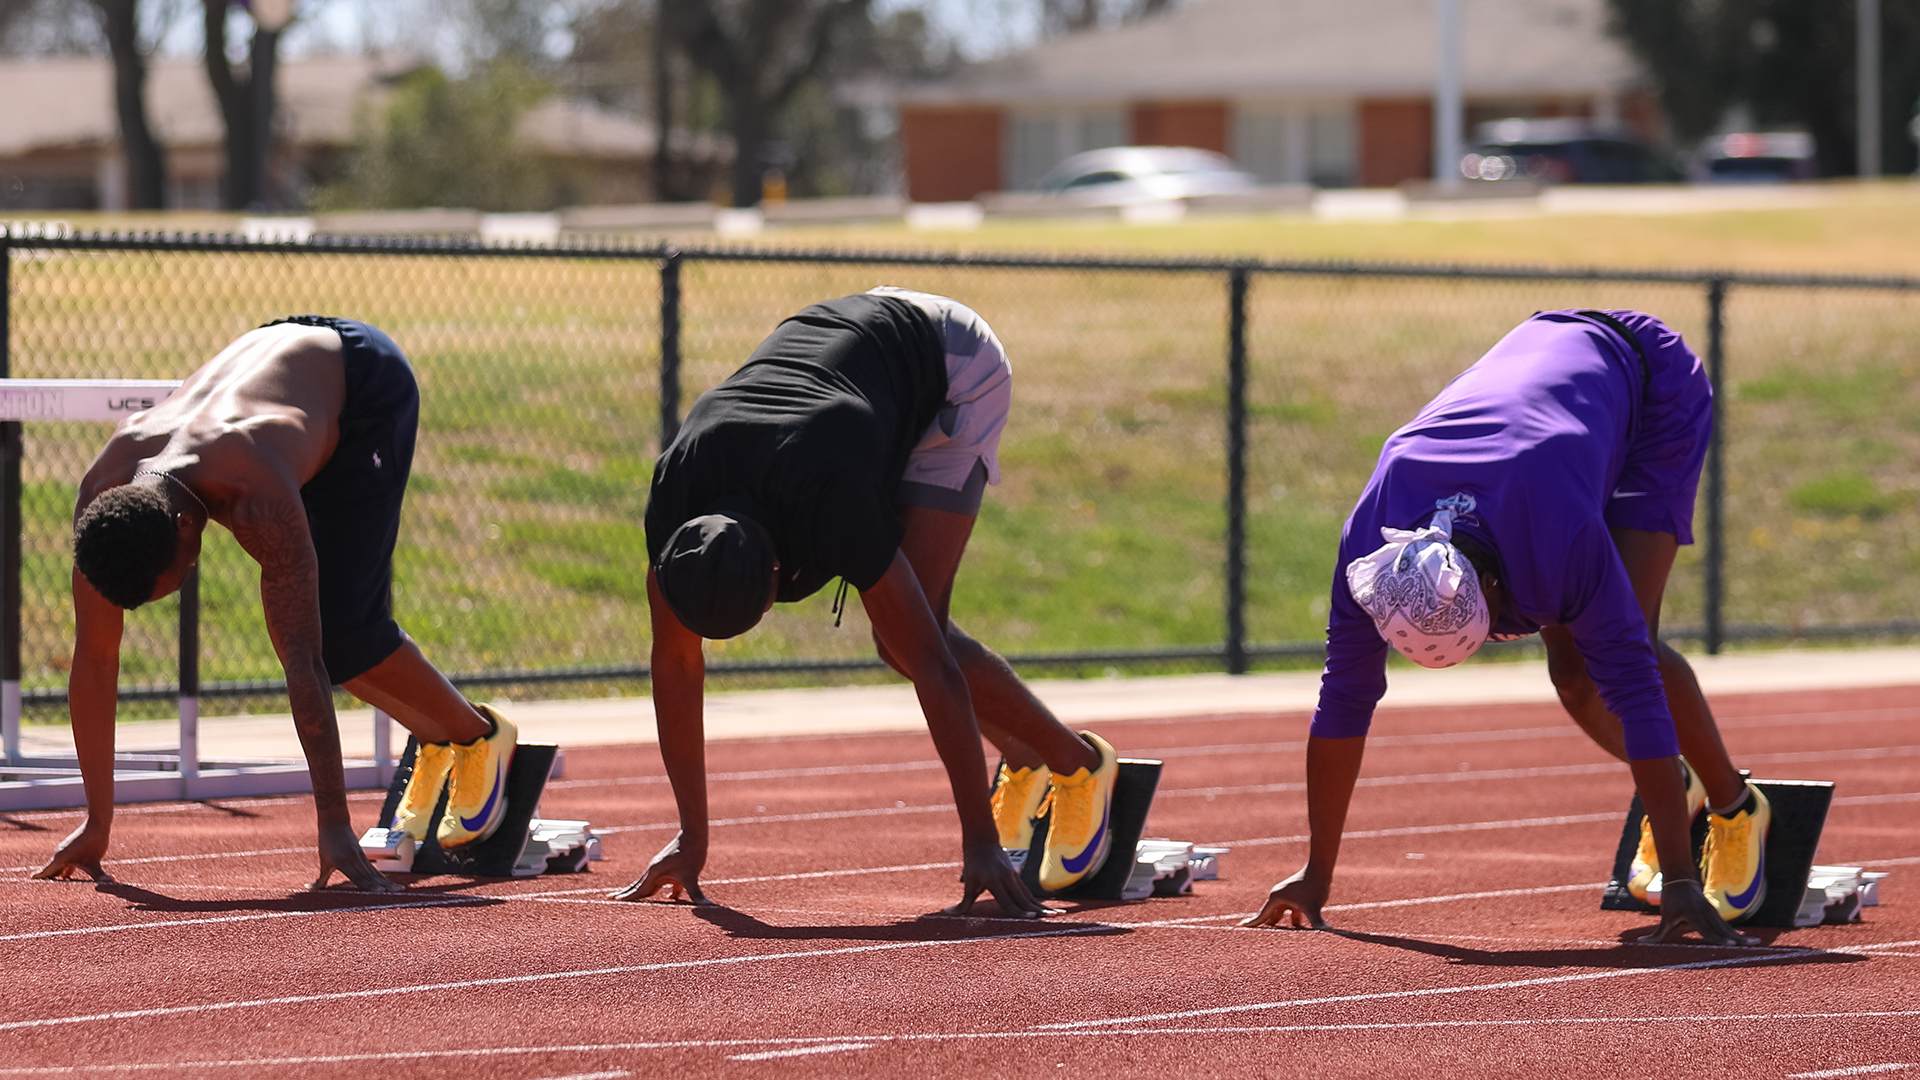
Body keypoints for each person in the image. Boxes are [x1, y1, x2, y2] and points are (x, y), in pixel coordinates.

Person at [1244, 310, 1769, 945]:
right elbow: (1343, 702)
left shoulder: (1556, 542)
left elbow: (1634, 684)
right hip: (1544, 423)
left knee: (1618, 652)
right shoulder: (1370, 553)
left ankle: (1733, 806)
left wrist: (1683, 884)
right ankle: (1667, 786)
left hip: (1647, 383)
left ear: (1496, 586)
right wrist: (1316, 871)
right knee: (1572, 677)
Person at [615, 288, 1119, 918]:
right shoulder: (676, 512)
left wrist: (981, 842)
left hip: (950, 362)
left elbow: (934, 665)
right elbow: (677, 665)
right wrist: (694, 836)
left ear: (779, 569)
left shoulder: (832, 499)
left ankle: (1076, 765)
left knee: (910, 636)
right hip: (849, 362)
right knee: (904, 638)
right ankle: (1023, 756)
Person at [34, 317, 518, 892]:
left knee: (346, 634)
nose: (187, 578)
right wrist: (98, 819)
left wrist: (334, 823)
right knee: (341, 638)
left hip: (364, 387)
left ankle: (475, 736)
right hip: (287, 372)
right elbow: (94, 657)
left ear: (187, 528)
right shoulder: (104, 497)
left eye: (180, 575)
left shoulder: (254, 491)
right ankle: (437, 737)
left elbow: (303, 661)